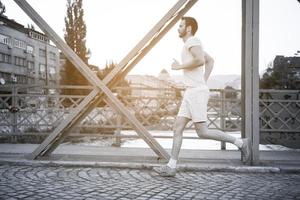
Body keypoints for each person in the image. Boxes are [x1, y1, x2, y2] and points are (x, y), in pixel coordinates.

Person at [153, 16, 251, 177]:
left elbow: (200, 60)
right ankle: (171, 167)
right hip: (191, 91)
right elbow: (210, 60)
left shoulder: (192, 41)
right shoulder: (191, 43)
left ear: (189, 28)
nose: (178, 28)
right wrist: (203, 80)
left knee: (202, 132)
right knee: (177, 128)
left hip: (196, 92)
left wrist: (179, 67)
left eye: (181, 25)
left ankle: (241, 143)